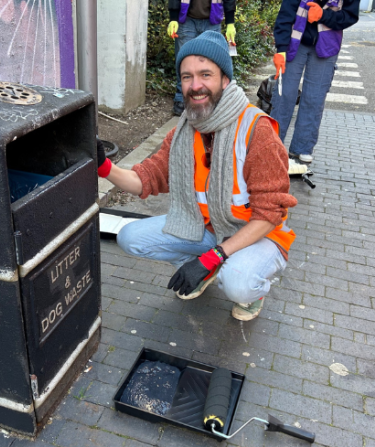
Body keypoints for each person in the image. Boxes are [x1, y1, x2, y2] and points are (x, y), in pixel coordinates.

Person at [96, 31, 297, 321]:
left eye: (205, 74)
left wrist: (214, 256)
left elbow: (269, 215)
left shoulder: (257, 130)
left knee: (239, 283)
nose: (196, 85)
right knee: (130, 237)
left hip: (260, 235)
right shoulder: (184, 131)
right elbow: (147, 179)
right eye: (187, 77)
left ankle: (251, 291)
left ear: (225, 80)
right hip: (209, 228)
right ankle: (206, 266)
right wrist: (103, 166)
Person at [270, 0, 359, 164]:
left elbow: (350, 16)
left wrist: (323, 15)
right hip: (294, 42)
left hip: (327, 46)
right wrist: (281, 49)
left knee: (314, 98)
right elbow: (286, 12)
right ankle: (272, 146)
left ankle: (301, 149)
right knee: (284, 95)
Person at [168, 0, 237, 116]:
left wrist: (230, 22)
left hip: (212, 20)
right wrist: (173, 18)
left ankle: (213, 97)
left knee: (211, 62)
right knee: (185, 61)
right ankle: (182, 98)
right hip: (187, 20)